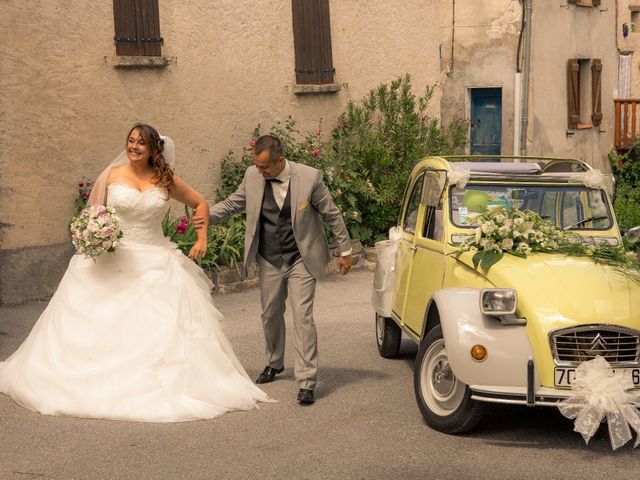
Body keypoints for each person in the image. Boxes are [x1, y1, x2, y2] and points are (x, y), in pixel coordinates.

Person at [0, 124, 272, 422]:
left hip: (155, 262)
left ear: (154, 149)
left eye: (141, 143)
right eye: (130, 141)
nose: (134, 147)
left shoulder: (165, 180)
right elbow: (93, 214)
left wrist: (202, 238)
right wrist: (93, 236)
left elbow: (199, 203)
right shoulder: (112, 176)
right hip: (111, 260)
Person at [193, 134, 352, 405]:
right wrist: (205, 215)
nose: (260, 171)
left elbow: (331, 214)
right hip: (269, 257)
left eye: (265, 167)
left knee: (303, 318)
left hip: (300, 257)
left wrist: (345, 250)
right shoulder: (252, 176)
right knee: (270, 313)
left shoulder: (310, 177)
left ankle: (306, 381)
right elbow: (233, 204)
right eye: (256, 165)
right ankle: (275, 362)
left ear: (280, 161)